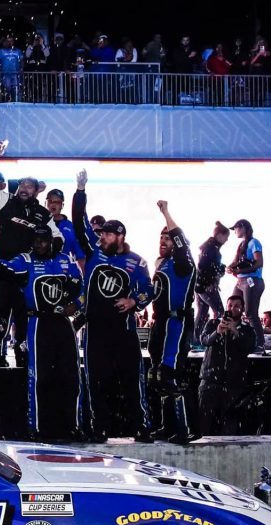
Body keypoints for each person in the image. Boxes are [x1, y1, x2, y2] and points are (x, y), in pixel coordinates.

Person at [72, 170, 154, 442]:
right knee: (96, 381)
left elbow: (149, 291)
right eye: (101, 234)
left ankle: (141, 426)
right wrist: (80, 191)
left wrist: (134, 302)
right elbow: (79, 221)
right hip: (95, 330)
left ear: (119, 236)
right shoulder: (94, 253)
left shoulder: (137, 262)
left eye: (107, 235)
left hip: (125, 331)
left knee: (133, 380)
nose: (102, 238)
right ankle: (99, 427)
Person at [0, 140, 62, 367]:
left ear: (38, 190)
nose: (25, 188)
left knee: (23, 319)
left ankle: (22, 360)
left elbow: (58, 239)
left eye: (30, 186)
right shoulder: (5, 202)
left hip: (25, 275)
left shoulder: (42, 214)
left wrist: (45, 252)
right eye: (22, 185)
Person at [0, 225, 83, 440]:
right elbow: (8, 268)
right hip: (37, 323)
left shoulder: (66, 260)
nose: (39, 244)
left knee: (71, 375)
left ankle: (73, 426)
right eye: (36, 240)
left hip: (63, 323)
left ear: (50, 241)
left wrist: (75, 304)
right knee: (40, 376)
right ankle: (36, 427)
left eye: (43, 240)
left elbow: (81, 287)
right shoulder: (26, 260)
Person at [148, 201, 199, 443]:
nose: (164, 240)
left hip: (176, 324)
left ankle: (187, 428)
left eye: (167, 237)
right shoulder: (162, 263)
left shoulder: (183, 262)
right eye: (161, 237)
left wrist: (166, 212)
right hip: (160, 324)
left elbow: (179, 239)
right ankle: (167, 426)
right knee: (158, 376)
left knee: (171, 374)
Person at [197, 295, 256, 435]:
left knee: (230, 423)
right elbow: (204, 340)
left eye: (236, 306)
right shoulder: (212, 323)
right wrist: (217, 332)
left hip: (234, 383)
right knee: (204, 420)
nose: (232, 308)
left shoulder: (248, 329)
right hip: (210, 379)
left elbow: (250, 347)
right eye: (230, 305)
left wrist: (236, 331)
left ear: (242, 309)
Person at [226, 219, 265, 351]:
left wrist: (240, 271)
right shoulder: (241, 245)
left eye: (236, 228)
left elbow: (259, 263)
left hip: (252, 281)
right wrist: (229, 267)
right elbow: (235, 261)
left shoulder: (254, 242)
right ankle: (233, 337)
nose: (235, 231)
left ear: (243, 227)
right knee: (231, 308)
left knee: (250, 312)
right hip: (240, 281)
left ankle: (259, 343)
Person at [194, 222, 229, 345]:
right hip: (206, 286)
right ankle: (213, 337)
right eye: (226, 237)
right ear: (220, 235)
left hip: (200, 286)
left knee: (202, 312)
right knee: (219, 311)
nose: (227, 240)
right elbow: (202, 265)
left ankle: (197, 341)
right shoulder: (211, 248)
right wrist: (211, 280)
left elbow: (204, 266)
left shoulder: (209, 247)